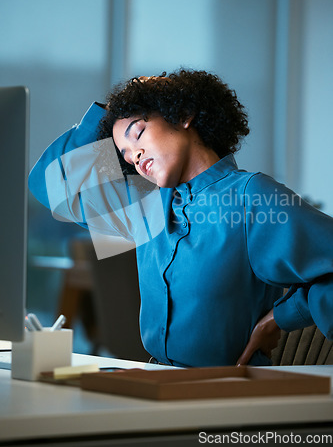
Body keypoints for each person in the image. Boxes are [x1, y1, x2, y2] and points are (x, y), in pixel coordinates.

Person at [29, 69, 333, 367]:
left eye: (138, 133)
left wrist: (281, 318)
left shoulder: (250, 196)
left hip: (229, 392)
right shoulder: (145, 202)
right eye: (125, 155)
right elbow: (49, 184)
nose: (135, 156)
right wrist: (110, 112)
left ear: (183, 114)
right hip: (158, 381)